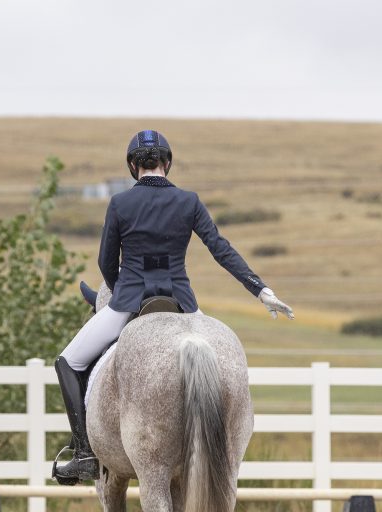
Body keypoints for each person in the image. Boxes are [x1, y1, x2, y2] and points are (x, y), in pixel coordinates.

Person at [52, 130, 294, 484]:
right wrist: (261, 290)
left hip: (129, 301)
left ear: (134, 166)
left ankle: (85, 454)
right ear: (167, 163)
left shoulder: (120, 204)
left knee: (68, 362)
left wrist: (121, 292)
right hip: (182, 303)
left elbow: (106, 262)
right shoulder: (189, 201)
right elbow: (221, 249)